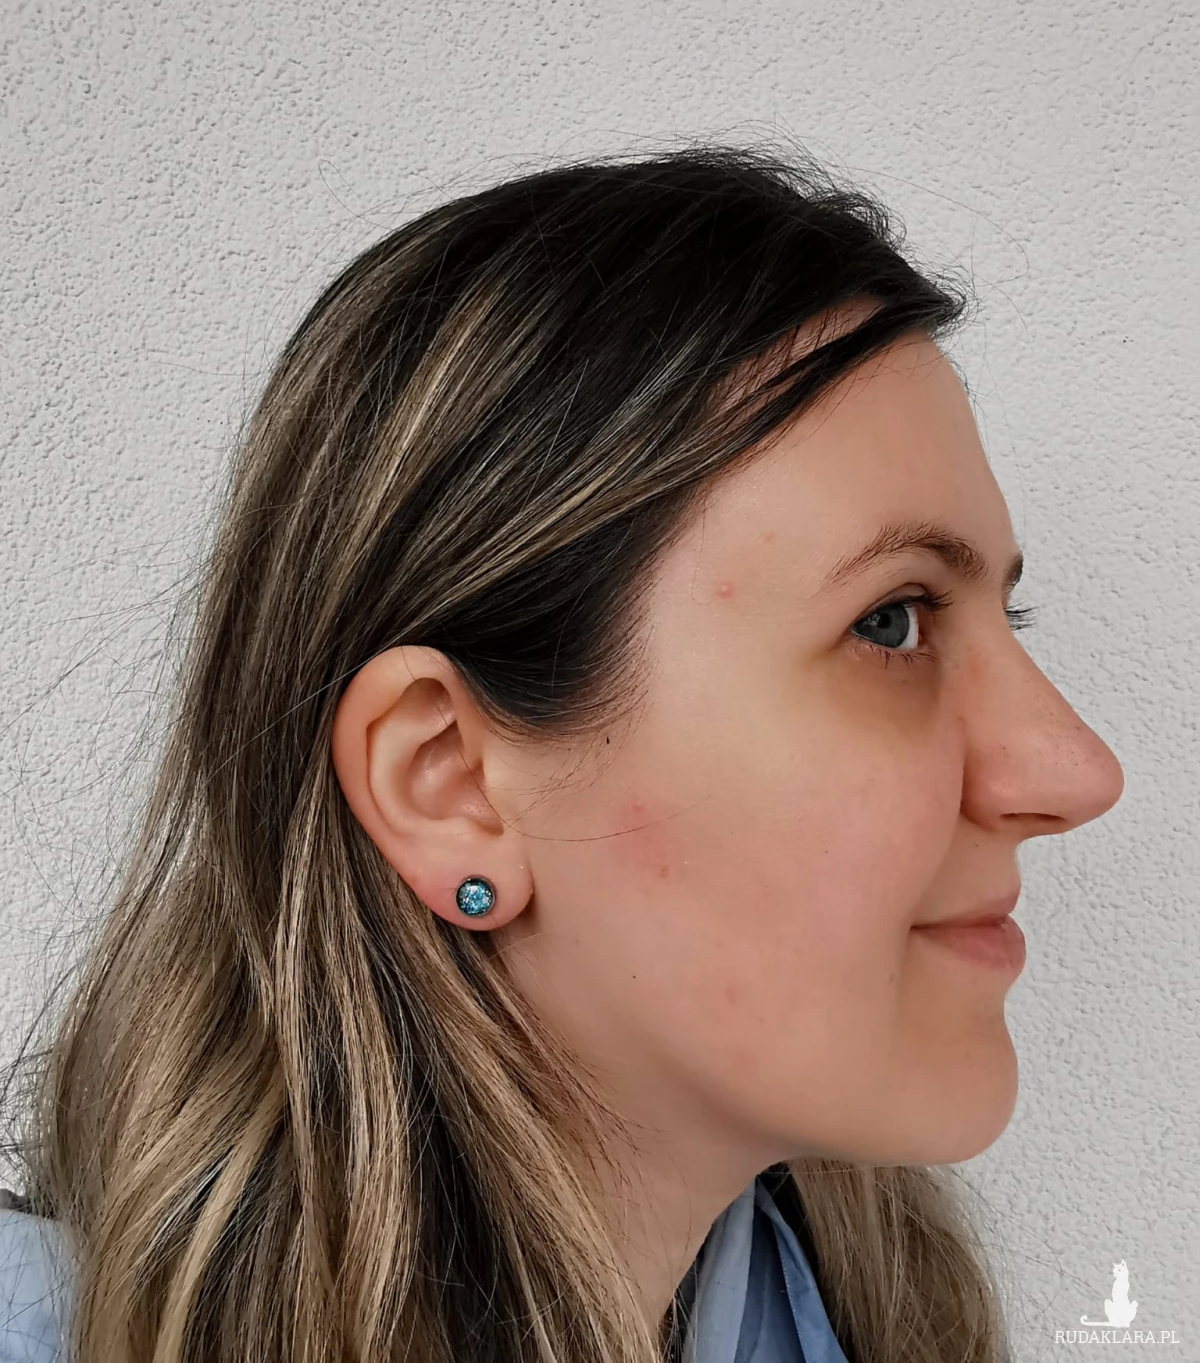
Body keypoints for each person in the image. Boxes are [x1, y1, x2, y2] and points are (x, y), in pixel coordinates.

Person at [0, 143, 1124, 1362]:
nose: (1074, 769)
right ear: (449, 782)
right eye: (890, 622)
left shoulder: (873, 1320)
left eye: (1006, 617)